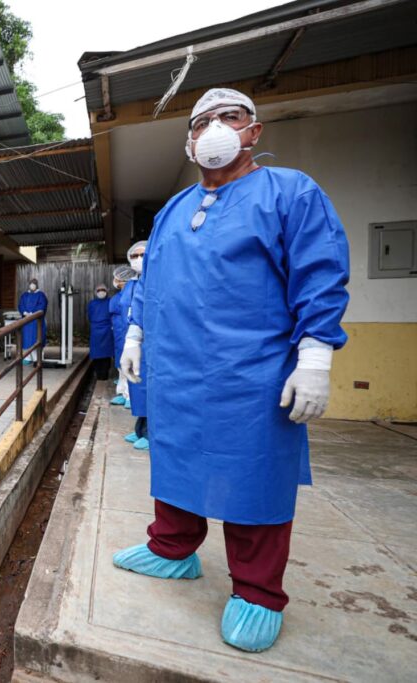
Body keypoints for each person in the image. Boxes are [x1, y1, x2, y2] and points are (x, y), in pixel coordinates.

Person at [115, 88, 349, 653]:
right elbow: (150, 282)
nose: (215, 128)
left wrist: (315, 357)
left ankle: (258, 591)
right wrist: (136, 334)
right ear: (190, 141)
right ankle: (172, 548)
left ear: (254, 131)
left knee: (253, 475)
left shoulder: (289, 192)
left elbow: (319, 274)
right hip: (177, 370)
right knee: (175, 458)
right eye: (202, 122)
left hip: (253, 370)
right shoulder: (173, 209)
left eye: (230, 117)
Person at [125, 240, 150, 449]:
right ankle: (140, 429)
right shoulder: (136, 283)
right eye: (134, 256)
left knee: (151, 388)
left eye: (143, 254)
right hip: (137, 340)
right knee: (139, 387)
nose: (139, 259)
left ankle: (151, 434)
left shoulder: (157, 278)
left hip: (153, 341)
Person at [109, 266, 135, 408]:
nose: (115, 280)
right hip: (119, 334)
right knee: (121, 365)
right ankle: (122, 392)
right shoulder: (120, 295)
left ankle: (131, 396)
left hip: (128, 334)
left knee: (130, 365)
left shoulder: (132, 294)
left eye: (116, 278)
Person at [87, 284, 114, 380]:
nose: (101, 291)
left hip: (106, 330)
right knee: (97, 354)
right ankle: (99, 375)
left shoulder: (111, 302)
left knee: (105, 354)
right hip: (97, 331)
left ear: (107, 291)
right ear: (95, 292)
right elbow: (90, 316)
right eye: (99, 290)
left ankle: (104, 375)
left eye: (103, 289)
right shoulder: (92, 303)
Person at [18, 278, 48, 365]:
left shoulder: (41, 295)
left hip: (36, 322)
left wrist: (32, 313)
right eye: (31, 284)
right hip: (26, 321)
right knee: (26, 340)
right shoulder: (25, 295)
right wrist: (24, 312)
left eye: (34, 284)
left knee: (36, 339)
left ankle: (37, 358)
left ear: (36, 285)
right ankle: (27, 358)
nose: (32, 286)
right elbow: (21, 305)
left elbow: (42, 305)